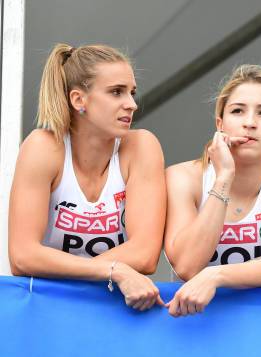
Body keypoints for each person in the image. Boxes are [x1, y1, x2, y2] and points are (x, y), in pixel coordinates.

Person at [8, 43, 166, 311]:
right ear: (79, 100)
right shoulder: (43, 147)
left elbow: (146, 254)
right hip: (48, 310)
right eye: (116, 92)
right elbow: (22, 256)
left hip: (111, 308)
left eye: (132, 92)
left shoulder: (142, 146)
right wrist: (115, 270)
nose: (132, 104)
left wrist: (75, 277)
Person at [164, 64, 261, 317]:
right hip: (199, 324)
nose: (250, 123)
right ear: (220, 124)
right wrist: (224, 177)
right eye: (237, 111)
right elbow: (187, 266)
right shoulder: (182, 177)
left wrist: (217, 275)